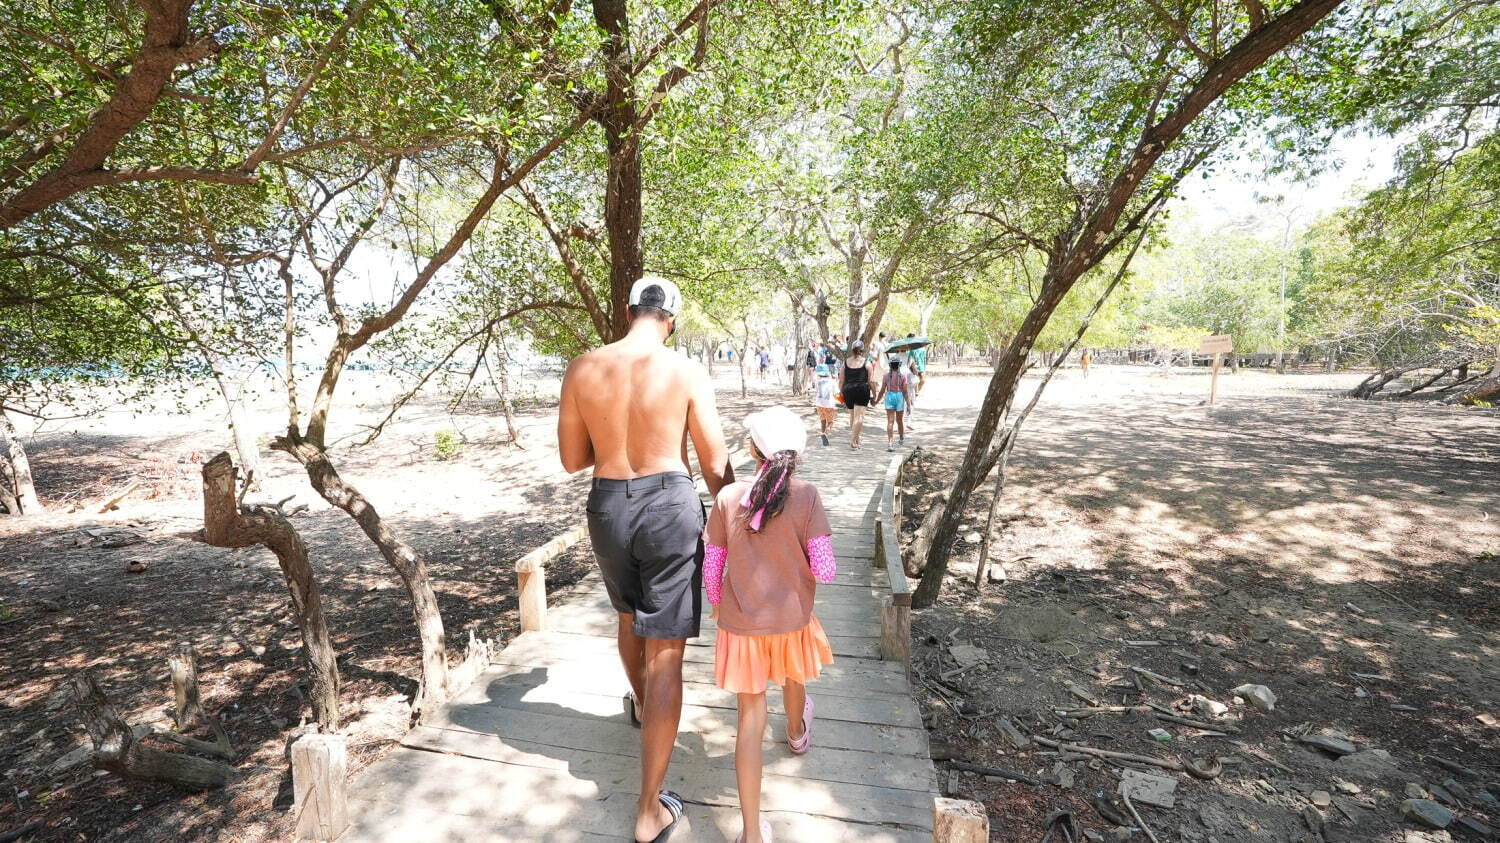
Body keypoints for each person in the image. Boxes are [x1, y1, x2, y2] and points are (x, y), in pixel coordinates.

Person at [557, 276, 734, 843]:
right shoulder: (684, 370)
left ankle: (640, 705)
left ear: (629, 310)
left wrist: (613, 440)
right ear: (671, 320)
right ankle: (647, 809)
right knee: (668, 654)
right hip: (668, 504)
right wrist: (738, 515)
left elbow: (570, 459)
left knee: (629, 617)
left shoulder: (583, 367)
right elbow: (712, 461)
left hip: (608, 504)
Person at [703, 406, 837, 843]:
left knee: (749, 719)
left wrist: (719, 604)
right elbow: (827, 568)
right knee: (794, 677)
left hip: (742, 627)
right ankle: (797, 733)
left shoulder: (727, 499)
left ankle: (750, 834)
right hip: (792, 620)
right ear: (795, 454)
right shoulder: (808, 495)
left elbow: (712, 568)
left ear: (752, 450)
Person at [837, 339, 876, 450]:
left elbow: (841, 380)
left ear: (852, 350)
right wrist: (875, 394)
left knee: (853, 416)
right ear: (862, 350)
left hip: (848, 390)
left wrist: (841, 391)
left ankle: (856, 439)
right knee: (859, 416)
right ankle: (853, 441)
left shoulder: (845, 363)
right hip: (861, 389)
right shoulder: (867, 363)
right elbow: (871, 381)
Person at [876, 358, 914, 451]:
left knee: (890, 421)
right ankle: (901, 438)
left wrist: (876, 401)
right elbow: (905, 392)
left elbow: (882, 390)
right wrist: (908, 405)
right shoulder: (902, 377)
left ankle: (890, 443)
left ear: (890, 366)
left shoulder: (886, 376)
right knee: (899, 420)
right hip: (899, 397)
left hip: (889, 396)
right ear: (899, 365)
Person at [811, 364, 838, 446]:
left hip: (819, 404)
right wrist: (842, 401)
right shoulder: (833, 382)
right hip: (829, 405)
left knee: (822, 421)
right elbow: (836, 394)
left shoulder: (817, 381)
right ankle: (825, 434)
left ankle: (823, 433)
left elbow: (817, 391)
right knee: (830, 422)